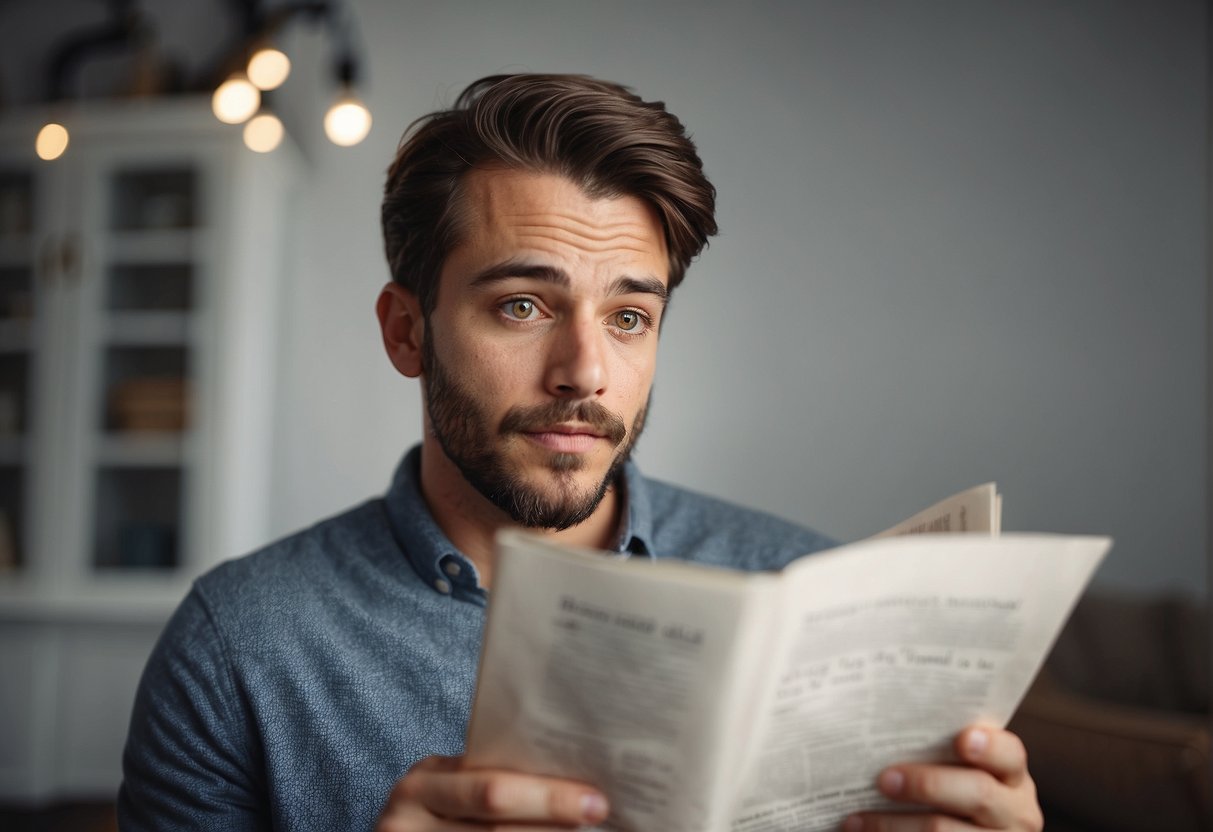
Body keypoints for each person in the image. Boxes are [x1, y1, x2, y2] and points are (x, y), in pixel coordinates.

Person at [118, 74, 1044, 832]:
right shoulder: (237, 646)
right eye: (522, 305)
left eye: (630, 317)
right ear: (407, 332)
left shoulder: (808, 591)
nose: (585, 372)